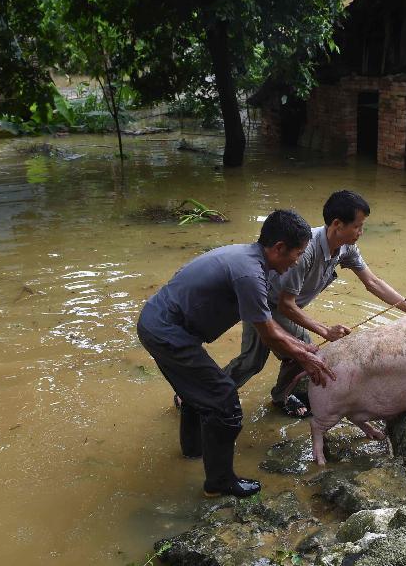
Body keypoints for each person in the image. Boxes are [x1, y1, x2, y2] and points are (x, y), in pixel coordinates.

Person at [136, 210, 335, 498]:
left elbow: (271, 328)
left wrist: (303, 348)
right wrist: (306, 357)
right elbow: (268, 333)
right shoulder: (249, 273)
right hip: (167, 332)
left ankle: (192, 453)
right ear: (279, 248)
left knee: (196, 394)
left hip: (158, 323)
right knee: (225, 402)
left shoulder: (248, 258)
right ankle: (219, 482)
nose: (298, 261)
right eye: (298, 253)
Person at [223, 190, 406, 417]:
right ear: (337, 224)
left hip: (284, 308)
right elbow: (286, 304)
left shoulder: (346, 248)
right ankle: (205, 393)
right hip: (266, 304)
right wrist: (325, 330)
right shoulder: (305, 251)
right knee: (273, 356)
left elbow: (373, 282)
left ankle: (280, 396)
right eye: (357, 226)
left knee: (272, 357)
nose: (361, 232)